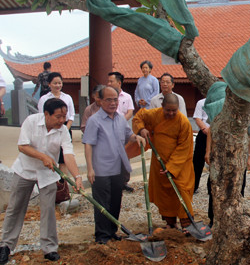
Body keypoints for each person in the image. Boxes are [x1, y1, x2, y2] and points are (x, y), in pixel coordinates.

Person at [0, 98, 83, 265]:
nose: (62, 120)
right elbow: (22, 146)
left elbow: (68, 155)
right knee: (15, 207)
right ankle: (6, 245)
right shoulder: (31, 121)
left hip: (47, 174)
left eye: (64, 116)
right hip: (25, 169)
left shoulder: (63, 131)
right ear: (46, 114)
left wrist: (77, 177)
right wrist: (43, 156)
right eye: (58, 116)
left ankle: (49, 247)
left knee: (48, 210)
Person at [82, 86, 145, 244]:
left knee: (116, 200)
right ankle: (102, 235)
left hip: (119, 167)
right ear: (100, 101)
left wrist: (136, 138)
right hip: (101, 168)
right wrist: (90, 168)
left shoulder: (120, 118)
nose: (112, 103)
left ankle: (112, 231)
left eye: (115, 99)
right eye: (108, 99)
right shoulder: (94, 120)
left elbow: (127, 134)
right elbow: (88, 144)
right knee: (102, 203)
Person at [133, 93, 195, 229]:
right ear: (162, 107)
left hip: (179, 165)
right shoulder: (155, 114)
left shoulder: (183, 122)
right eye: (168, 110)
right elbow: (138, 117)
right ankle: (170, 223)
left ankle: (187, 223)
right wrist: (142, 129)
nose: (171, 113)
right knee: (164, 194)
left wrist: (172, 167)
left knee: (182, 190)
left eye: (174, 110)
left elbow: (184, 147)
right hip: (159, 162)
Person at [37, 72, 76, 176]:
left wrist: (65, 129)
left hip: (65, 128)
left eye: (60, 83)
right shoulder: (44, 99)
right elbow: (42, 116)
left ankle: (63, 185)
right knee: (50, 156)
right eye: (55, 83)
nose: (58, 85)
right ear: (49, 84)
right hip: (50, 129)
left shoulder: (67, 97)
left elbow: (71, 115)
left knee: (63, 159)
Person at [192, 98, 209, 192]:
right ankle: (194, 186)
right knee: (197, 161)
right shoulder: (201, 102)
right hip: (204, 133)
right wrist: (204, 128)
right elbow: (197, 118)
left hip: (217, 134)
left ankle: (211, 187)